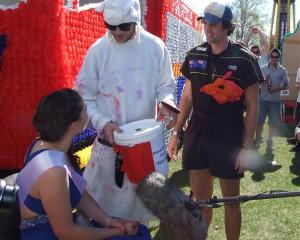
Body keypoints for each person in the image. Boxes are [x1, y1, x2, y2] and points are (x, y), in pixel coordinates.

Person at [75, 0, 178, 225]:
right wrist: (103, 123)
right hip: (108, 150)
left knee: (140, 216)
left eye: (124, 27)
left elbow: (166, 85)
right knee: (101, 214)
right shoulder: (98, 51)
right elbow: (84, 96)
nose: (117, 33)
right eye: (111, 27)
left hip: (144, 148)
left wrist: (167, 104)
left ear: (136, 20)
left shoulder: (155, 46)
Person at [168, 2, 261, 239]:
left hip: (229, 132)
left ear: (226, 27)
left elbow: (252, 108)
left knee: (231, 200)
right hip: (197, 131)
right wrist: (176, 134)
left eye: (213, 23)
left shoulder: (245, 59)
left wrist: (246, 147)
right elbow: (187, 97)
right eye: (205, 22)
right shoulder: (195, 55)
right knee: (201, 199)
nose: (207, 28)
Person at [16, 89, 151, 240]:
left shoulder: (42, 144)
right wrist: (117, 232)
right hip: (46, 235)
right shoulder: (54, 172)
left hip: (56, 229)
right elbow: (66, 233)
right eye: (84, 108)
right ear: (74, 125)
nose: (88, 110)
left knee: (140, 231)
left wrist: (110, 221)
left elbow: (79, 194)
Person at [253, 48, 290, 149]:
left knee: (272, 123)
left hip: (275, 101)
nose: (274, 58)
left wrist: (276, 88)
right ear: (269, 57)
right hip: (262, 99)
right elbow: (256, 82)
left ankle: (270, 141)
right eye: (272, 56)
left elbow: (287, 86)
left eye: (276, 57)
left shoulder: (282, 70)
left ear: (279, 58)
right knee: (259, 121)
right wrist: (261, 80)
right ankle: (257, 139)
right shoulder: (263, 68)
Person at [287, 67, 300, 151]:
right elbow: (297, 85)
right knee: (297, 119)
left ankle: (298, 144)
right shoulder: (299, 69)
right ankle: (297, 138)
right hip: (299, 100)